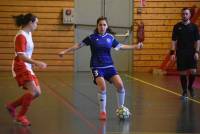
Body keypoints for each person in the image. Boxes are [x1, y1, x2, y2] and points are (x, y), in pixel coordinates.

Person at [58, 16, 142, 120]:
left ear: (107, 26)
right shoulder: (92, 37)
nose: (102, 27)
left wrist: (135, 46)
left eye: (104, 25)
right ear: (97, 26)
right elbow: (78, 45)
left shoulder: (110, 38)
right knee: (102, 86)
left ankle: (121, 108)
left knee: (120, 85)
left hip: (109, 66)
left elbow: (120, 46)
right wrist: (65, 51)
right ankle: (103, 111)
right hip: (97, 67)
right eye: (100, 25)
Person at [5, 13, 47, 126]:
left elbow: (27, 53)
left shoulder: (28, 34)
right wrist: (36, 62)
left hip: (27, 66)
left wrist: (31, 64)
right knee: (33, 91)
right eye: (36, 23)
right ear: (30, 23)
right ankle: (20, 116)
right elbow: (21, 56)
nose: (37, 25)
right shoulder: (21, 36)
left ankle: (12, 106)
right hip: (20, 66)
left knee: (37, 93)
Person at [170, 8, 200, 98]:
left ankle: (190, 86)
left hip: (191, 52)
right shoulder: (177, 26)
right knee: (182, 73)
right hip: (181, 52)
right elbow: (174, 41)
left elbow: (197, 41)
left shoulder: (194, 27)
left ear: (190, 15)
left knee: (193, 71)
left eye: (186, 14)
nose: (184, 15)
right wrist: (172, 53)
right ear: (181, 15)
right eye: (183, 14)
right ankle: (184, 91)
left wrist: (197, 52)